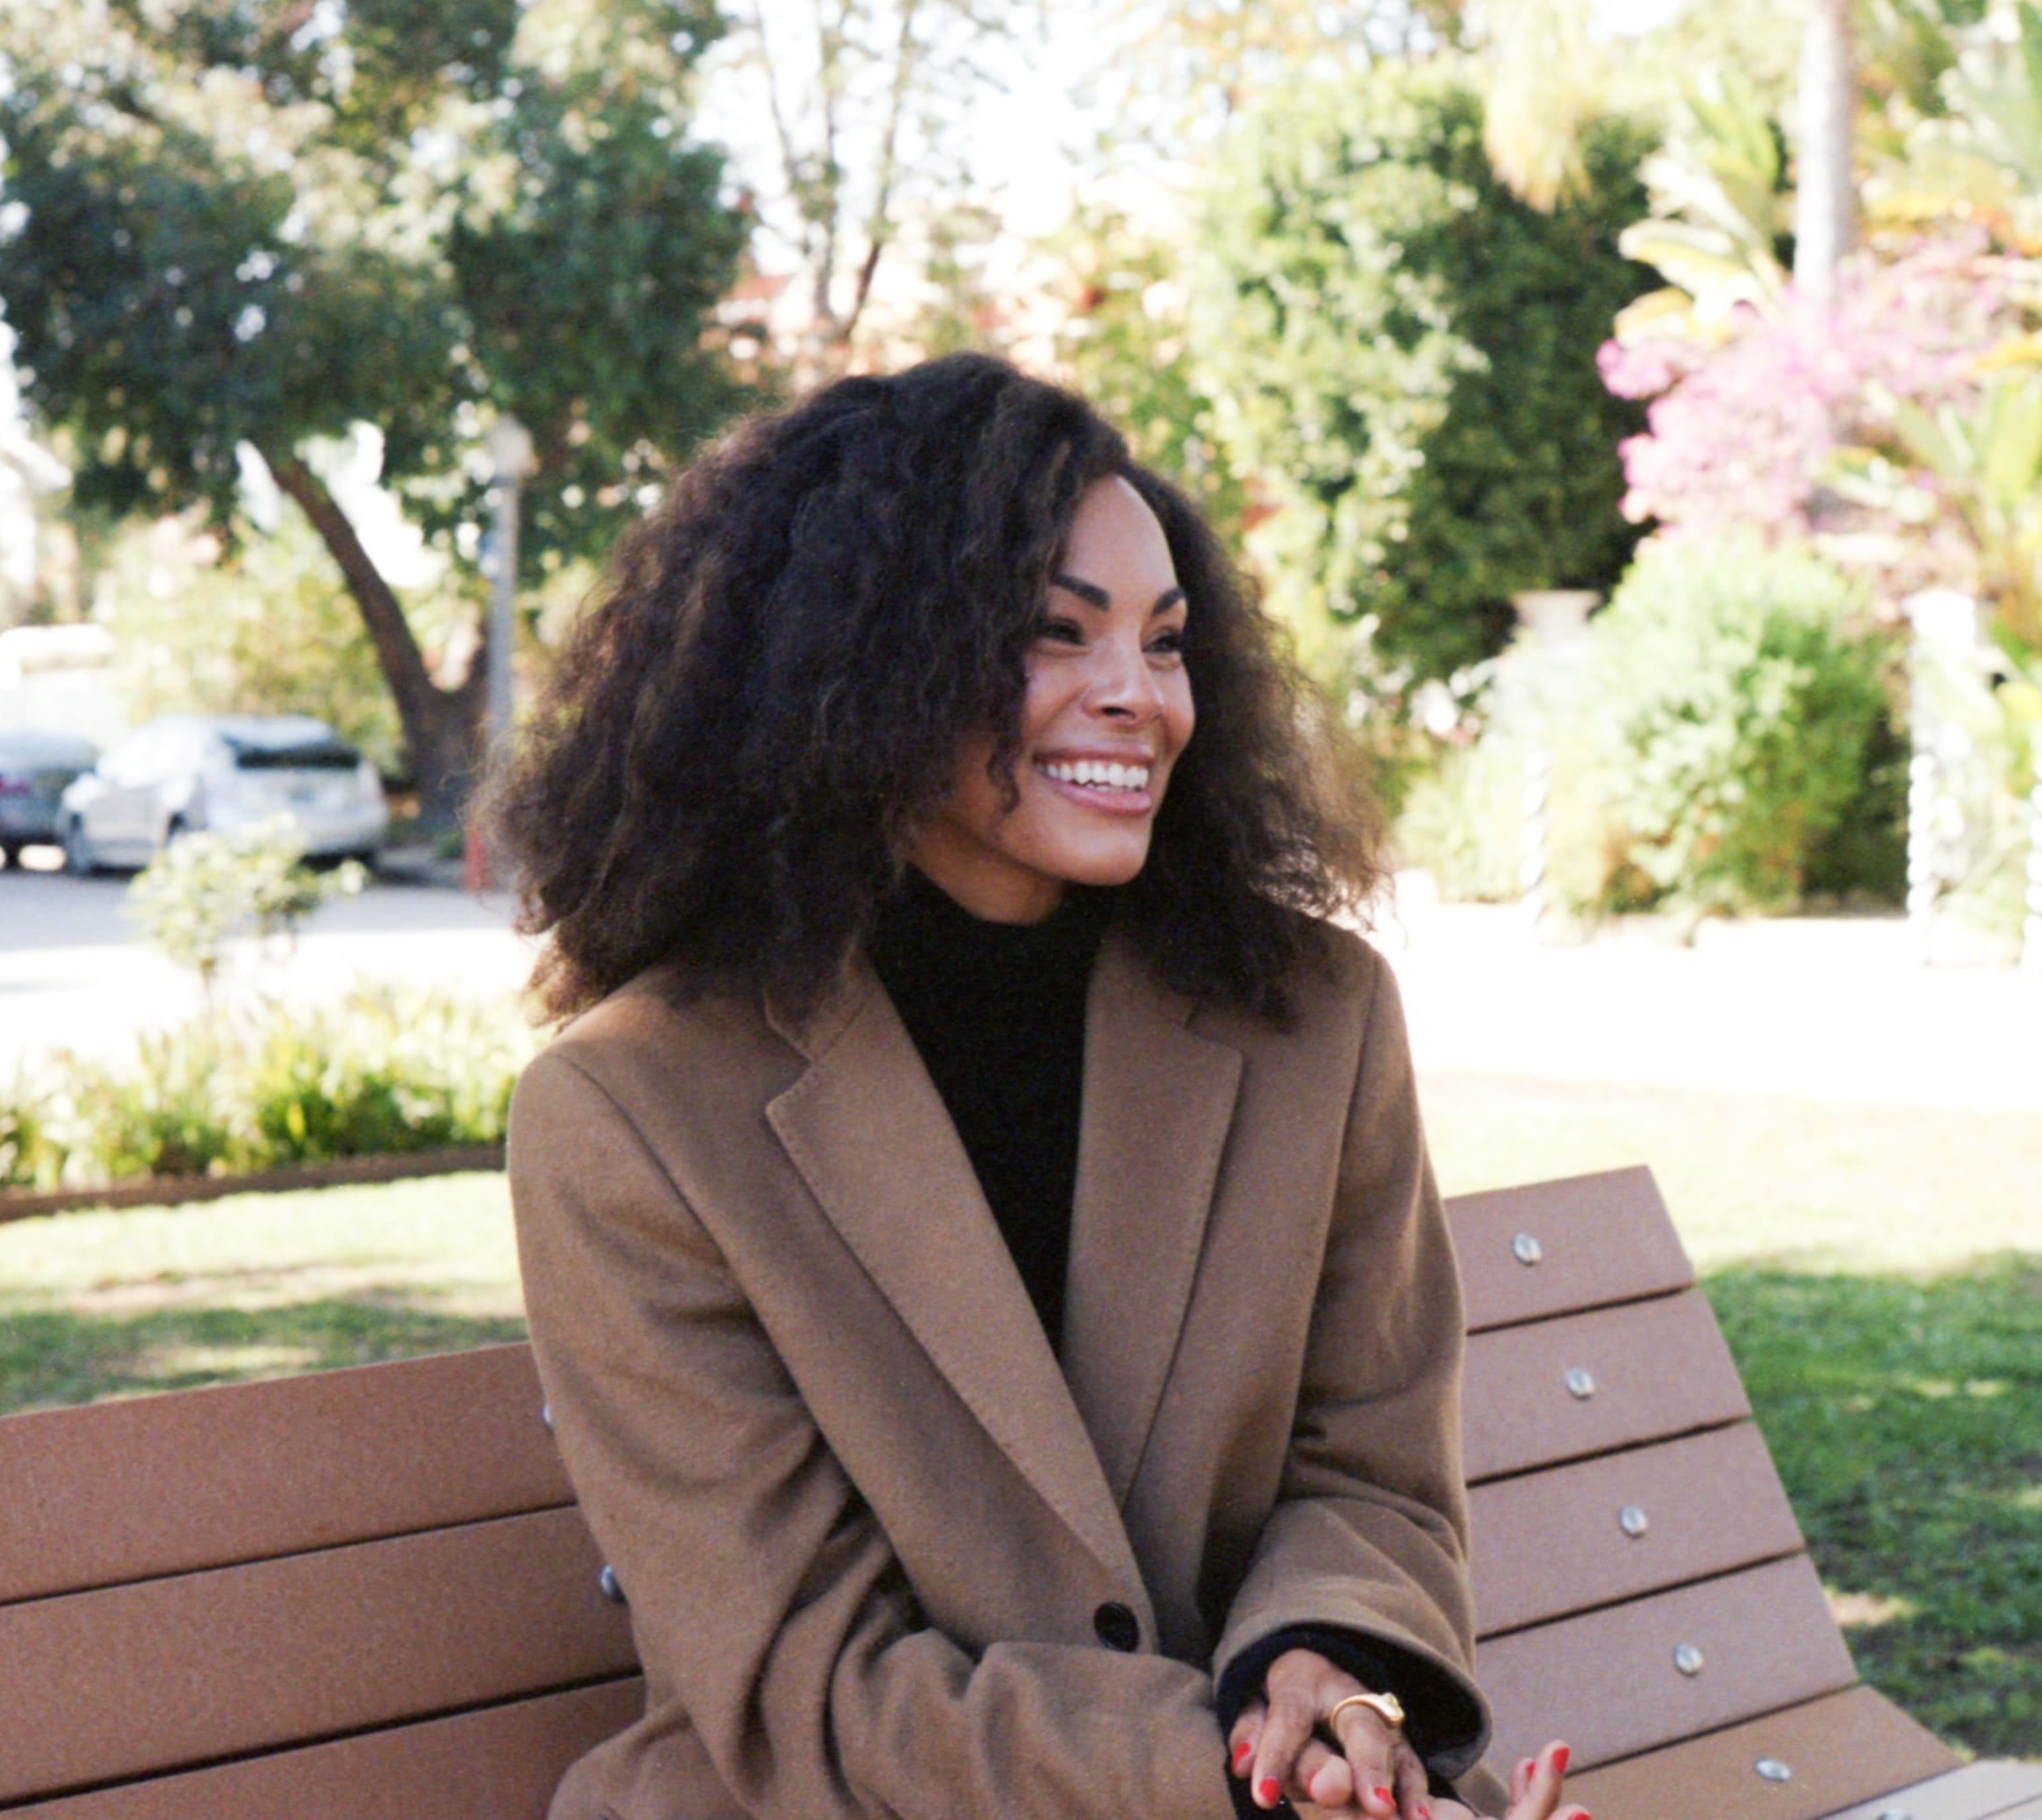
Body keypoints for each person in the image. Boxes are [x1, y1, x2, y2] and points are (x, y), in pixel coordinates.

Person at [490, 353, 1586, 1820]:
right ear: (866, 666)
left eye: (1164, 640)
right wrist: (1235, 1779)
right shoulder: (634, 1113)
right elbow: (807, 1682)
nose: (1135, 697)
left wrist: (1329, 1686)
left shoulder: (1312, 1024)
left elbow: (1370, 1474)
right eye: (1055, 635)